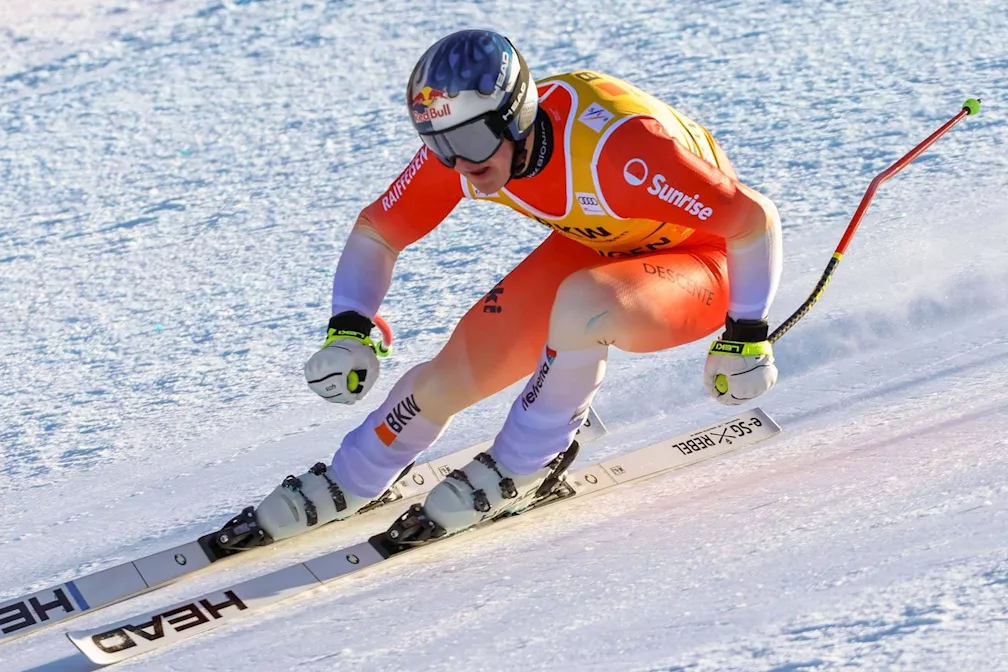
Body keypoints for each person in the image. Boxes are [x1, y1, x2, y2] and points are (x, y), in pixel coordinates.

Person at [245, 28, 782, 543]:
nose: (460, 162)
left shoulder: (619, 150)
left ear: (516, 116)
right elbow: (377, 232)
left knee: (584, 307)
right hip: (599, 244)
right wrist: (350, 329)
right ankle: (356, 471)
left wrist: (746, 334)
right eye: (439, 144)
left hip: (704, 259)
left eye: (473, 139)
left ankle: (529, 459)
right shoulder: (467, 151)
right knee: (453, 372)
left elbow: (752, 220)